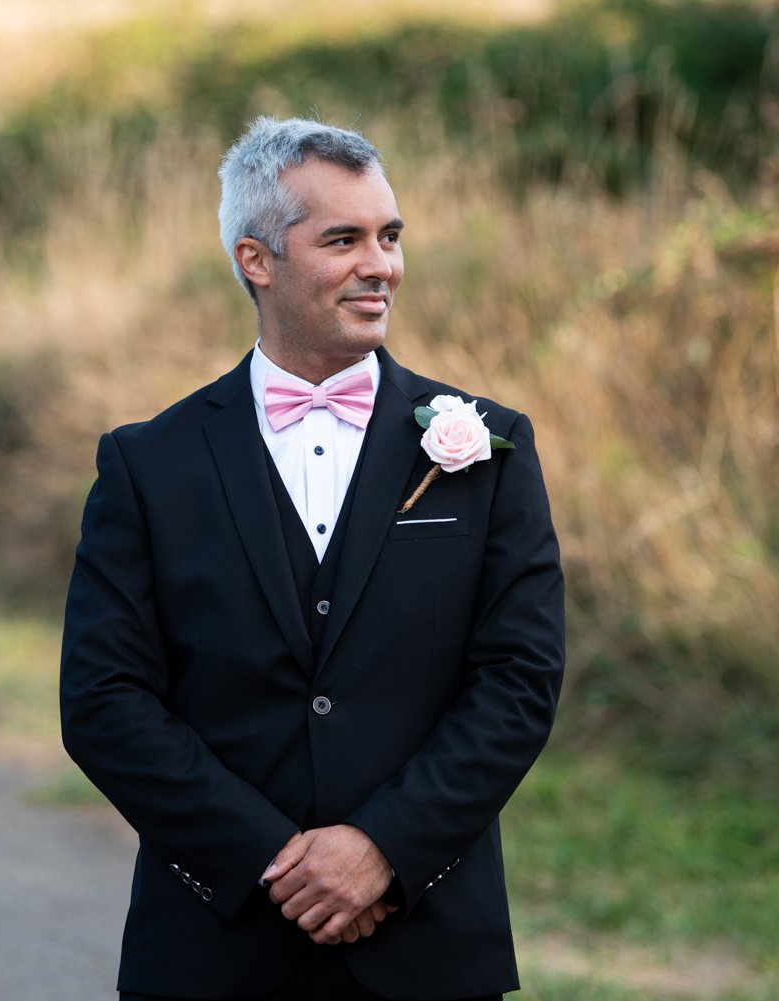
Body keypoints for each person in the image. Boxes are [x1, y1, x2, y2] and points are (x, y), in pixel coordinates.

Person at [60, 116, 565, 1001]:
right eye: (343, 239)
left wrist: (383, 850)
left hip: (430, 946)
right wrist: (269, 860)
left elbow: (519, 680)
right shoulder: (149, 464)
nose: (382, 265)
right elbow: (104, 702)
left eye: (390, 236)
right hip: (214, 951)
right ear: (257, 260)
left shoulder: (487, 446)